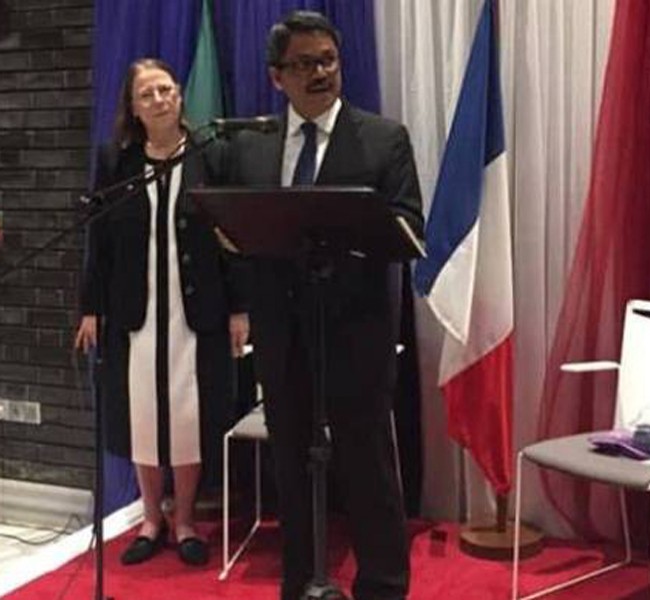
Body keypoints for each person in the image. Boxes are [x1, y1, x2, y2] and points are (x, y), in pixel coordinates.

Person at [229, 11, 424, 600]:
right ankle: (302, 583)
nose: (320, 73)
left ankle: (383, 586)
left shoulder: (383, 138)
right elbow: (238, 232)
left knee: (367, 468)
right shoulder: (252, 147)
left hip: (357, 330)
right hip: (281, 332)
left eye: (328, 61)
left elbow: (411, 226)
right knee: (292, 465)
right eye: (305, 63)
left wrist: (350, 229)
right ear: (276, 77)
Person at [76, 58, 249, 567]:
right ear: (133, 107)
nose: (159, 100)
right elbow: (98, 238)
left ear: (179, 96)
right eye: (147, 94)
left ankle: (186, 519)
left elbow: (232, 241)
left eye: (166, 90)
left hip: (195, 310)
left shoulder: (210, 155)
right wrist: (91, 307)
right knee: (144, 417)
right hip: (136, 312)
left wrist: (239, 309)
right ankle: (151, 518)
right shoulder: (117, 161)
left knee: (188, 416)